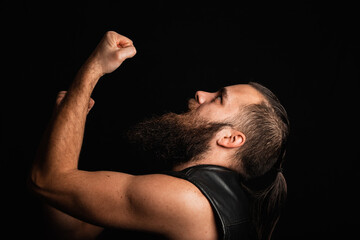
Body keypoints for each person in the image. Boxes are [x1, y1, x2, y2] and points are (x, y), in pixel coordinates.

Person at [29, 31, 289, 240]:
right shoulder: (194, 189)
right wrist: (68, 117)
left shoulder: (187, 200)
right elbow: (73, 230)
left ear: (230, 139)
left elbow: (46, 181)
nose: (201, 94)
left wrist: (93, 68)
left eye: (219, 98)